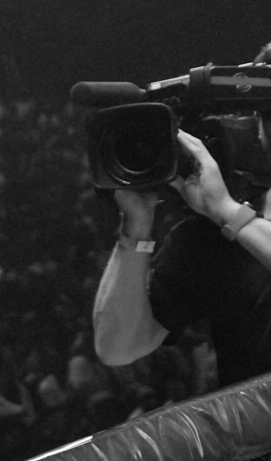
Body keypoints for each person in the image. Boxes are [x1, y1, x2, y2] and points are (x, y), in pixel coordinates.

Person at [93, 130, 271, 387]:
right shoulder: (210, 235)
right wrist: (136, 226)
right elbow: (117, 347)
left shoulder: (227, 217)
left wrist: (228, 212)